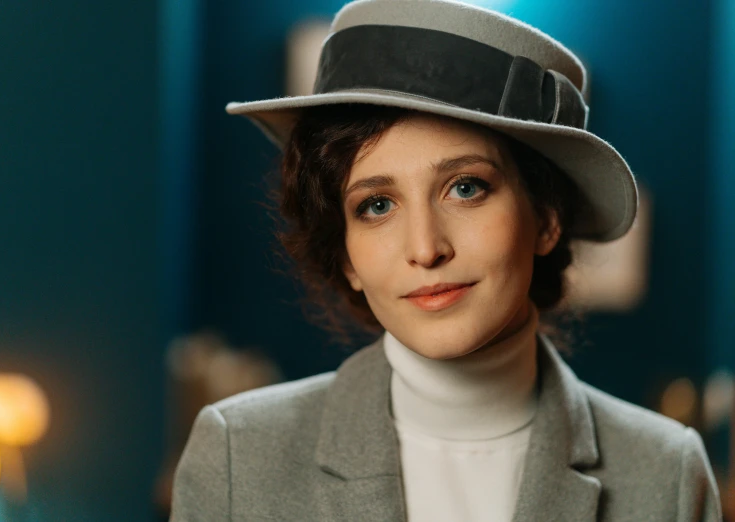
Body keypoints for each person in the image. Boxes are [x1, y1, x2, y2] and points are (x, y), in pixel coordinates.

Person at [170, 0, 722, 520]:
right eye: (377, 205)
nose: (426, 248)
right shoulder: (236, 457)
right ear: (346, 256)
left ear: (547, 217)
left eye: (465, 188)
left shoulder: (667, 473)